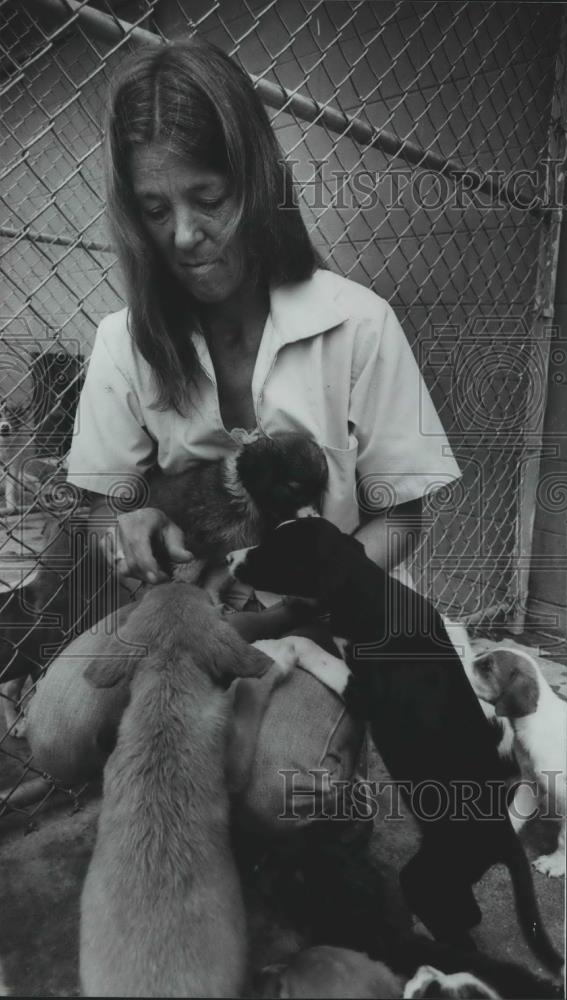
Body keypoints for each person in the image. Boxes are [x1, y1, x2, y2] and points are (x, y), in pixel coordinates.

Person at [26, 37, 462, 938]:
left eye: (207, 200)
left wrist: (298, 589)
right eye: (155, 208)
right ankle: (184, 783)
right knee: (56, 729)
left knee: (286, 790)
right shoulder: (124, 339)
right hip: (187, 610)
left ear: (257, 184)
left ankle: (303, 794)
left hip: (321, 620)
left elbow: (401, 513)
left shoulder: (359, 324)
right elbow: (106, 497)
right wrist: (130, 520)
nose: (183, 235)